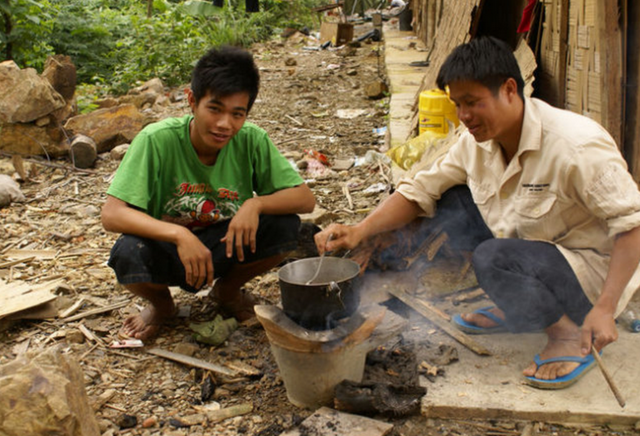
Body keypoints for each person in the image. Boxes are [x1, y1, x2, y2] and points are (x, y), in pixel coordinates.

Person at [314, 36, 640, 389]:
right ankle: (521, 308)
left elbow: (633, 225)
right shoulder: (475, 142)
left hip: (589, 279)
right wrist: (360, 230)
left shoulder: (576, 146)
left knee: (492, 258)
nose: (464, 116)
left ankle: (566, 334)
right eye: (457, 104)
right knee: (453, 201)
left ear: (510, 89)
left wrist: (604, 309)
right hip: (533, 255)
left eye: (473, 102)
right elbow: (420, 189)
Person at [102, 46, 316, 340]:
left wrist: (254, 204)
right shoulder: (156, 140)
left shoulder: (252, 140)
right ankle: (162, 305)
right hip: (168, 249)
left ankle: (227, 292)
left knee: (284, 226)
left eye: (237, 114)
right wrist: (180, 235)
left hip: (224, 245)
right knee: (126, 252)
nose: (224, 124)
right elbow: (112, 214)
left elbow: (305, 199)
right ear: (192, 100)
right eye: (214, 109)